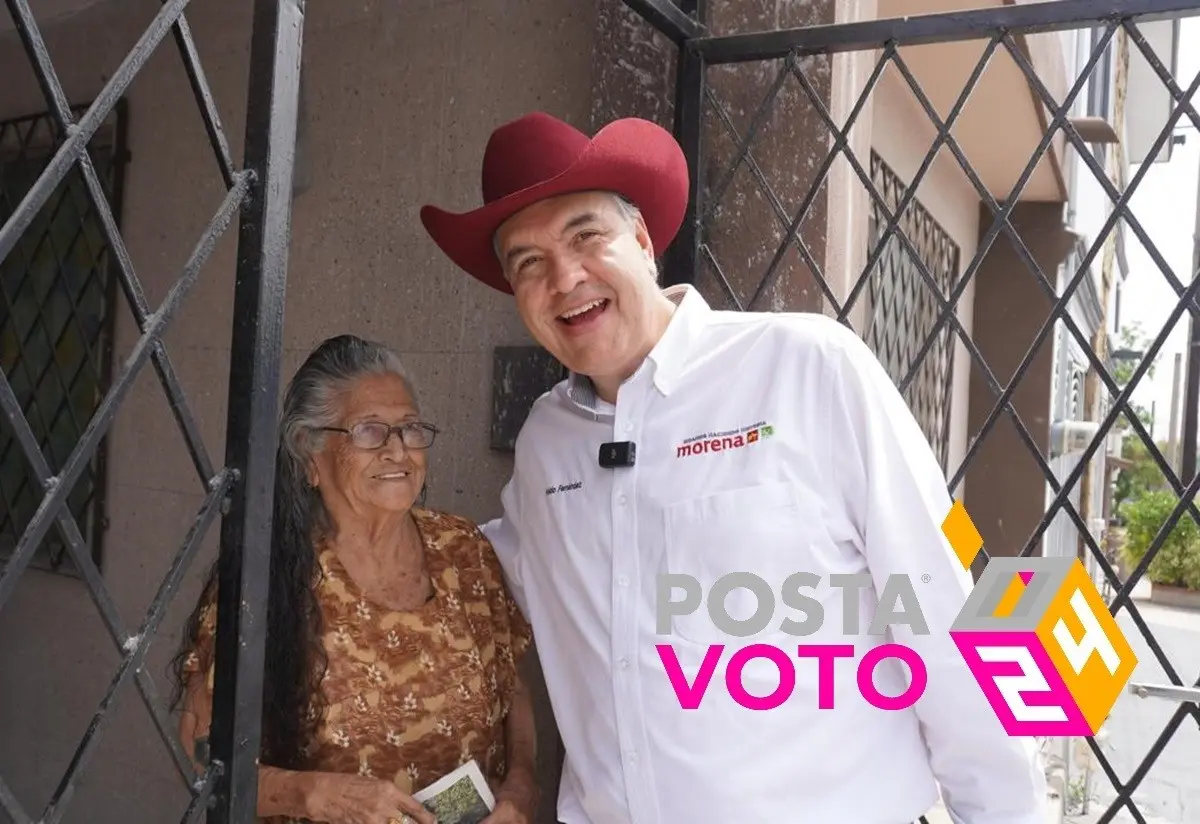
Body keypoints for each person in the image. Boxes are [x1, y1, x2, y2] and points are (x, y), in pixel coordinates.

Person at [418, 112, 1049, 823]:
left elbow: (946, 606)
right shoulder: (546, 445)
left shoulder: (808, 368)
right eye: (528, 263)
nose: (565, 277)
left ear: (645, 242)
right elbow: (494, 573)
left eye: (585, 235)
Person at [170, 335, 539, 824]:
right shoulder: (270, 576)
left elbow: (512, 689)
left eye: (409, 429)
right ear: (309, 455)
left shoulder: (463, 549)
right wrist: (311, 794)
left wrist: (520, 789)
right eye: (369, 432)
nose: (398, 451)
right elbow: (203, 749)